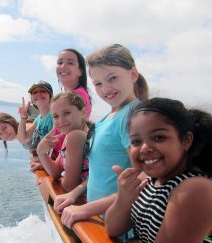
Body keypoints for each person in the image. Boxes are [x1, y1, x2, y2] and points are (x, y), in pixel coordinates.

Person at [105, 98, 212, 243]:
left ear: (186, 141)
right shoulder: (149, 180)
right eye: (136, 141)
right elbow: (113, 228)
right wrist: (124, 197)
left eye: (159, 138)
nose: (144, 148)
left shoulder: (194, 189)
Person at [56, 44, 149, 229]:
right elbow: (100, 170)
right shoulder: (106, 119)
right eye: (98, 83)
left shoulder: (133, 117)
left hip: (120, 228)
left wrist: (86, 210)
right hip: (98, 221)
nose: (106, 88)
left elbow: (144, 178)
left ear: (133, 74)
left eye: (112, 78)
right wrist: (74, 193)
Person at [37, 92, 90, 192]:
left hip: (83, 202)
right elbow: (56, 171)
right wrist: (41, 152)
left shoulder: (76, 136)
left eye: (67, 113)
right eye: (55, 116)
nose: (61, 120)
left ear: (83, 112)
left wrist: (46, 183)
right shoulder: (70, 135)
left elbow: (70, 186)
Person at [56, 48, 92, 120]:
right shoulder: (70, 94)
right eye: (60, 63)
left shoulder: (77, 95)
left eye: (70, 63)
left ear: (80, 71)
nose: (63, 66)